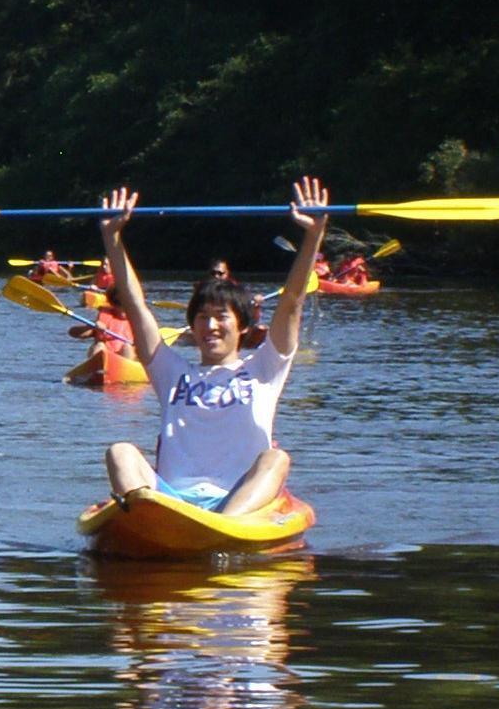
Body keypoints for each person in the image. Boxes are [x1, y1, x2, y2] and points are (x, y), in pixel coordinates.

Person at [98, 175, 328, 517]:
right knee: (120, 451)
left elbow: (292, 301)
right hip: (170, 500)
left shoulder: (264, 368)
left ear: (243, 326)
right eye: (202, 317)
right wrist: (112, 236)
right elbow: (134, 303)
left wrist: (313, 236)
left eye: (221, 316)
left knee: (276, 458)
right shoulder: (171, 373)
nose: (211, 325)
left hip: (237, 501)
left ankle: (222, 523)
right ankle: (151, 516)